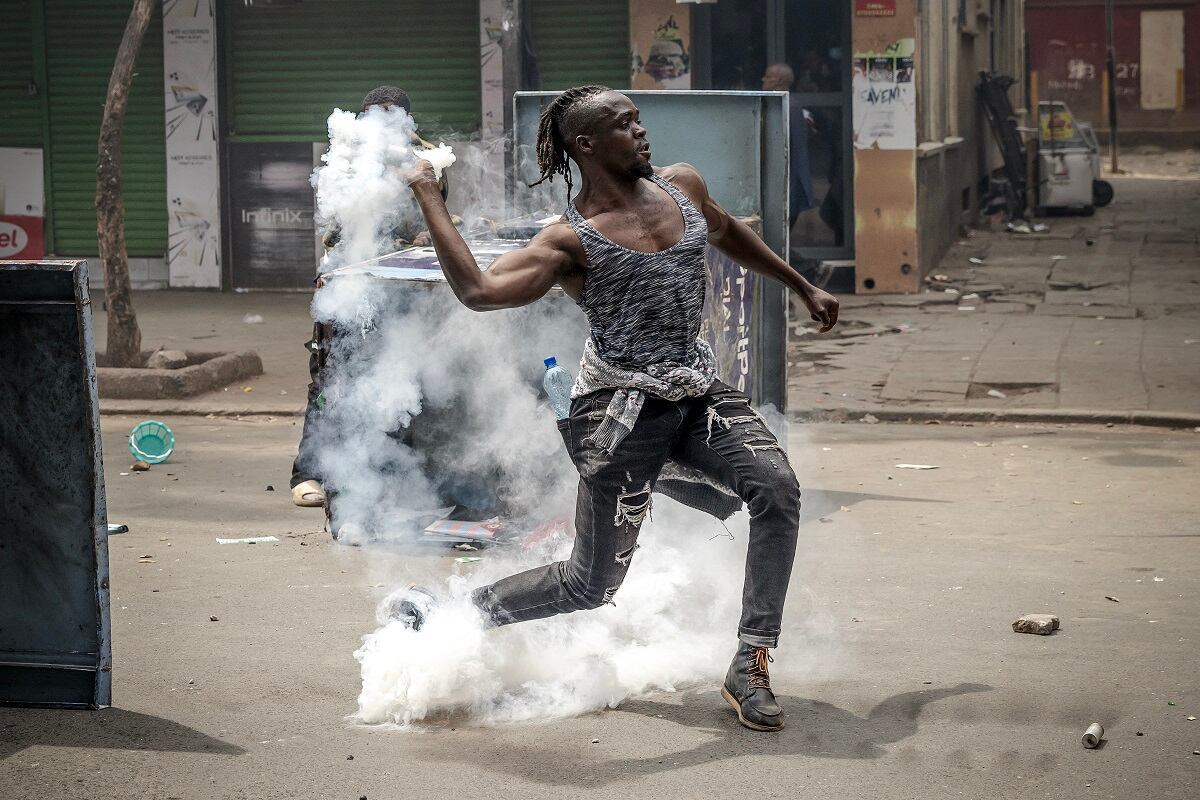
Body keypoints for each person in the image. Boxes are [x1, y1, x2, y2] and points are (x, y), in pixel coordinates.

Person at [395, 86, 838, 732]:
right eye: (623, 124)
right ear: (587, 146)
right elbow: (480, 290)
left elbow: (726, 229)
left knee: (777, 488)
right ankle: (457, 609)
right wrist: (429, 195)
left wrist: (801, 287)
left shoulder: (681, 187)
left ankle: (751, 660)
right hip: (618, 412)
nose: (641, 131)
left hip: (694, 393)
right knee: (590, 585)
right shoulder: (570, 241)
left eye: (638, 119)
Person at [290, 85, 448, 507]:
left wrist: (418, 235)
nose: (381, 123)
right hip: (350, 283)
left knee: (400, 375)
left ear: (407, 121)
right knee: (330, 376)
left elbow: (436, 216)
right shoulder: (345, 157)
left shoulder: (429, 159)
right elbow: (336, 229)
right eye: (374, 115)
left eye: (391, 114)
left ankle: (392, 471)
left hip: (405, 287)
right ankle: (309, 473)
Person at [761, 63, 816, 227]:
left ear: (778, 80)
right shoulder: (781, 104)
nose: (763, 79)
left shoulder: (787, 107)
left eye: (768, 76)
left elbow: (788, 153)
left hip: (788, 186)